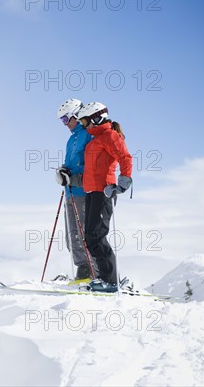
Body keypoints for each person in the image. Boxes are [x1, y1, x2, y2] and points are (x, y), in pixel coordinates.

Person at [76, 102, 133, 292]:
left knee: (97, 235)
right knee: (90, 236)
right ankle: (106, 277)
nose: (84, 125)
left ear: (96, 118)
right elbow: (92, 169)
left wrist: (123, 181)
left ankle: (110, 282)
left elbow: (125, 157)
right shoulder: (95, 140)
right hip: (92, 192)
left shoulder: (110, 135)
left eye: (85, 121)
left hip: (103, 192)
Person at [55, 99, 96, 282]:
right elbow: (72, 164)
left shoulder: (88, 135)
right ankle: (84, 272)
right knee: (72, 237)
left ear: (76, 115)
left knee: (87, 236)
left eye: (65, 119)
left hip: (84, 193)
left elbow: (93, 168)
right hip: (70, 193)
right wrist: (63, 171)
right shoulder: (71, 138)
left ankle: (99, 274)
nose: (64, 124)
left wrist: (73, 178)